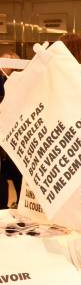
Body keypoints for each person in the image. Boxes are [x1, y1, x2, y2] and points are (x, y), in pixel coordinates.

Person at [0, 51, 22, 207]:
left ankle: (20, 204)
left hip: (14, 134)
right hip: (7, 135)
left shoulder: (17, 81)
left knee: (16, 173)